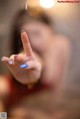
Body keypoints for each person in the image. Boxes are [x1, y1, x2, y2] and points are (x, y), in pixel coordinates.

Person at [1, 7, 70, 118]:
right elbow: (34, 62)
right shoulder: (28, 52)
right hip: (12, 91)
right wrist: (31, 70)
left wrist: (52, 111)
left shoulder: (61, 45)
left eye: (37, 33)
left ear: (50, 29)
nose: (33, 41)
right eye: (27, 36)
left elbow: (59, 83)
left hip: (25, 103)